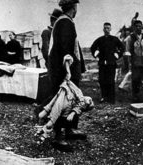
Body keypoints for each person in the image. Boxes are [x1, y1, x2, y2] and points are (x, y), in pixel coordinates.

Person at [36, 0, 86, 147]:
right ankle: (58, 136)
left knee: (71, 100)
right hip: (63, 71)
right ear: (73, 7)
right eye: (76, 7)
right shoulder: (65, 23)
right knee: (62, 101)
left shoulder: (63, 22)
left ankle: (69, 129)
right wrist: (68, 72)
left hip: (63, 70)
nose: (76, 9)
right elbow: (65, 50)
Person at [91, 22, 124, 104]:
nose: (106, 30)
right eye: (105, 28)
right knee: (102, 80)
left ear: (110, 29)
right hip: (102, 63)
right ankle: (104, 97)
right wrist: (96, 55)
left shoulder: (114, 39)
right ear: (103, 29)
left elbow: (122, 47)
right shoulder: (100, 39)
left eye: (108, 28)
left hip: (111, 63)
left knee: (111, 81)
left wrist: (117, 55)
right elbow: (93, 48)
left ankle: (111, 99)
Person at [125, 20, 143, 102]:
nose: (138, 28)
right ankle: (136, 99)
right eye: (136, 26)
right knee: (135, 81)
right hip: (135, 64)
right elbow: (127, 52)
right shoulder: (130, 38)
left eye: (140, 26)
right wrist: (129, 64)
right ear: (134, 27)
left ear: (142, 27)